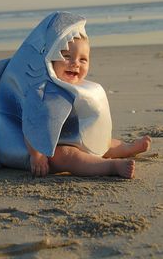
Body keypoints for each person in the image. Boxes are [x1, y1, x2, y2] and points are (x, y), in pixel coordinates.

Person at [26, 35, 151, 179]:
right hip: (55, 146)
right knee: (69, 156)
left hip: (80, 137)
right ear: (50, 59)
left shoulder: (85, 88)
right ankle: (111, 166)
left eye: (83, 59)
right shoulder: (44, 92)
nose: (75, 63)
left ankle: (127, 148)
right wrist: (37, 155)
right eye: (67, 56)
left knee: (105, 143)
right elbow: (31, 126)